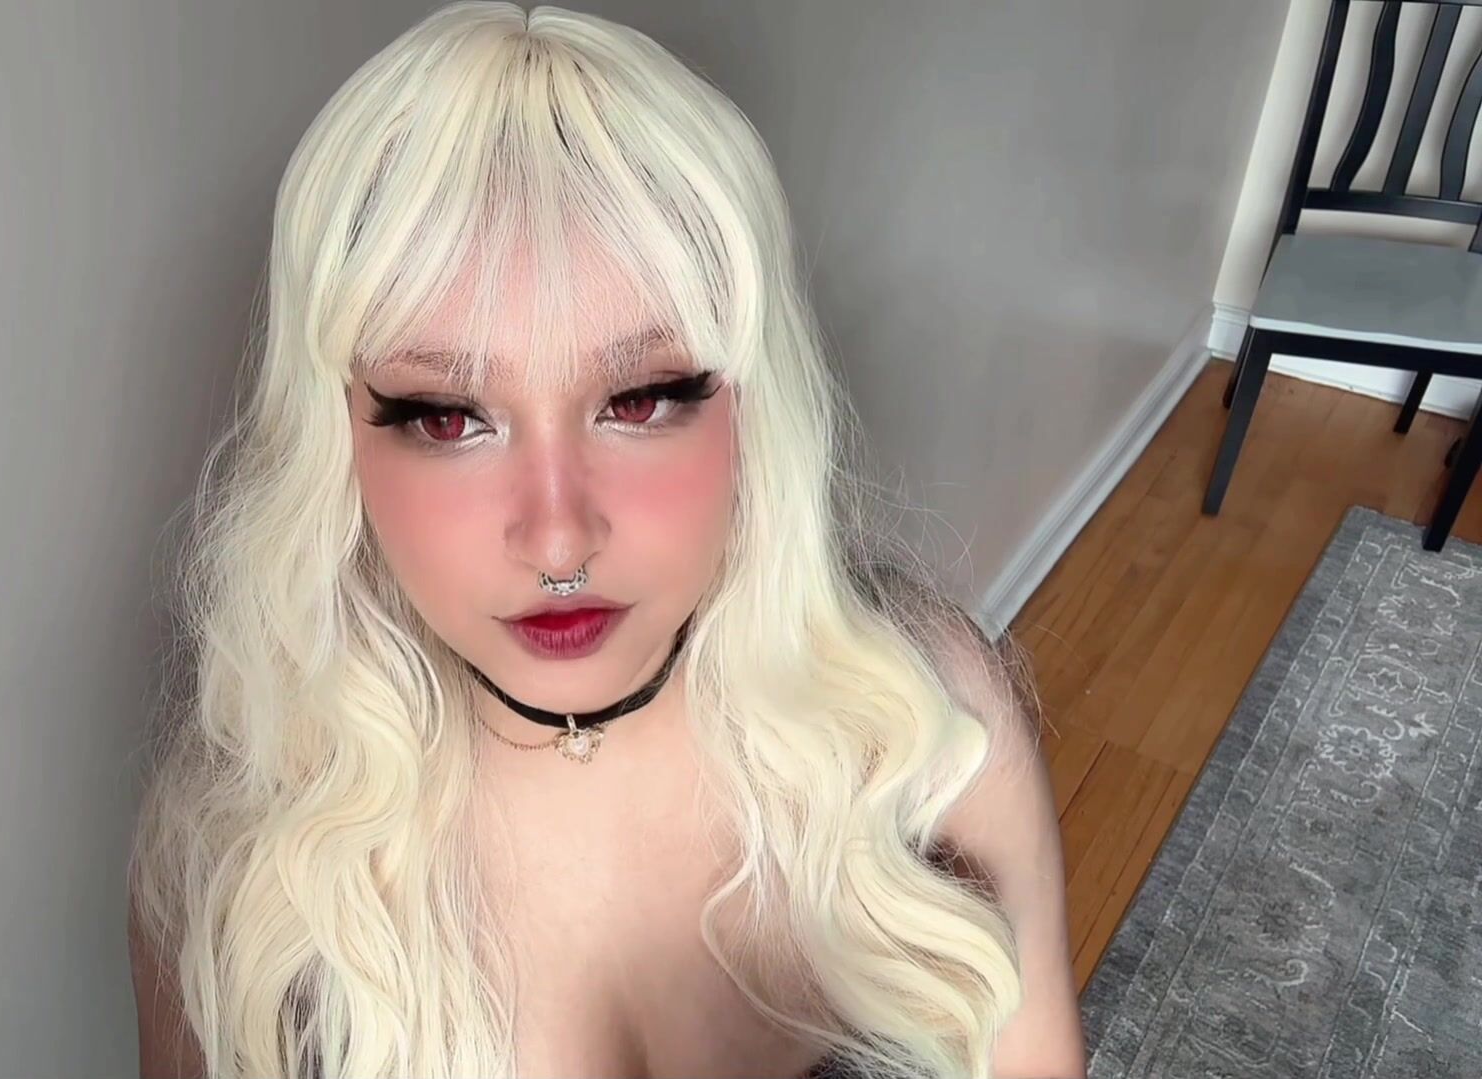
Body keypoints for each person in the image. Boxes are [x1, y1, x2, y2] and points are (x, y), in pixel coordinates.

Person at [127, 3, 1086, 1076]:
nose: (556, 536)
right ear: (335, 437)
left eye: (639, 399)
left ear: (751, 401)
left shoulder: (929, 720)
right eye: (447, 418)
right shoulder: (232, 858)